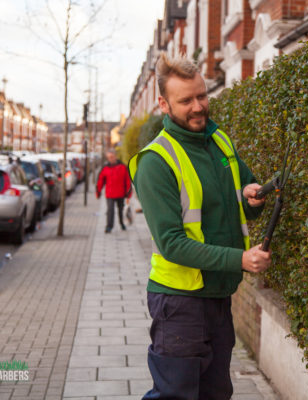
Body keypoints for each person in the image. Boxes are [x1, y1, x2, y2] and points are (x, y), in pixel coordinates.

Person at [128, 53, 271, 400]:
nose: (198, 106)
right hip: (178, 302)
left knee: (216, 393)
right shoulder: (156, 161)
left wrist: (253, 197)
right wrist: (239, 259)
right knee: (175, 394)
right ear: (163, 104)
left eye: (202, 95)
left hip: (218, 297)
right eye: (186, 100)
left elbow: (239, 201)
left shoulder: (219, 141)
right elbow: (172, 243)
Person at [96, 149, 132, 233]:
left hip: (121, 193)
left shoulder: (123, 167)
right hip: (110, 194)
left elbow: (127, 181)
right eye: (108, 158)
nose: (110, 159)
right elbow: (100, 180)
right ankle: (109, 226)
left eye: (111, 157)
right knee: (110, 211)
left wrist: (128, 194)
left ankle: (122, 223)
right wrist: (98, 192)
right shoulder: (105, 168)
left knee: (121, 210)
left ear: (115, 156)